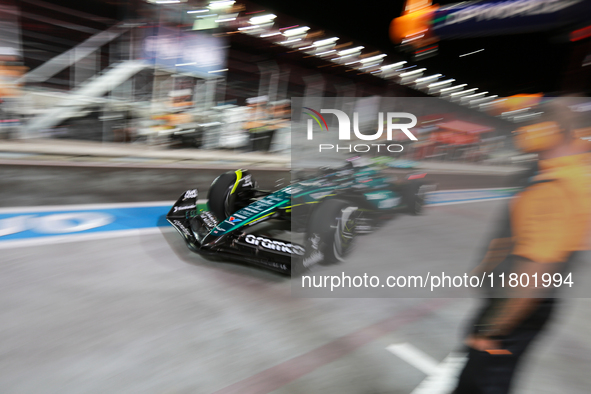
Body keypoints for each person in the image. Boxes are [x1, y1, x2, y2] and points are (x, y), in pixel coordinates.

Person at [453, 99, 591, 394]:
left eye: (536, 122)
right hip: (521, 302)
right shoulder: (564, 173)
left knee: (482, 383)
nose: (526, 129)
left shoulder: (554, 186)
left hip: (515, 305)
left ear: (554, 131)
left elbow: (535, 273)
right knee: (486, 377)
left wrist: (494, 327)